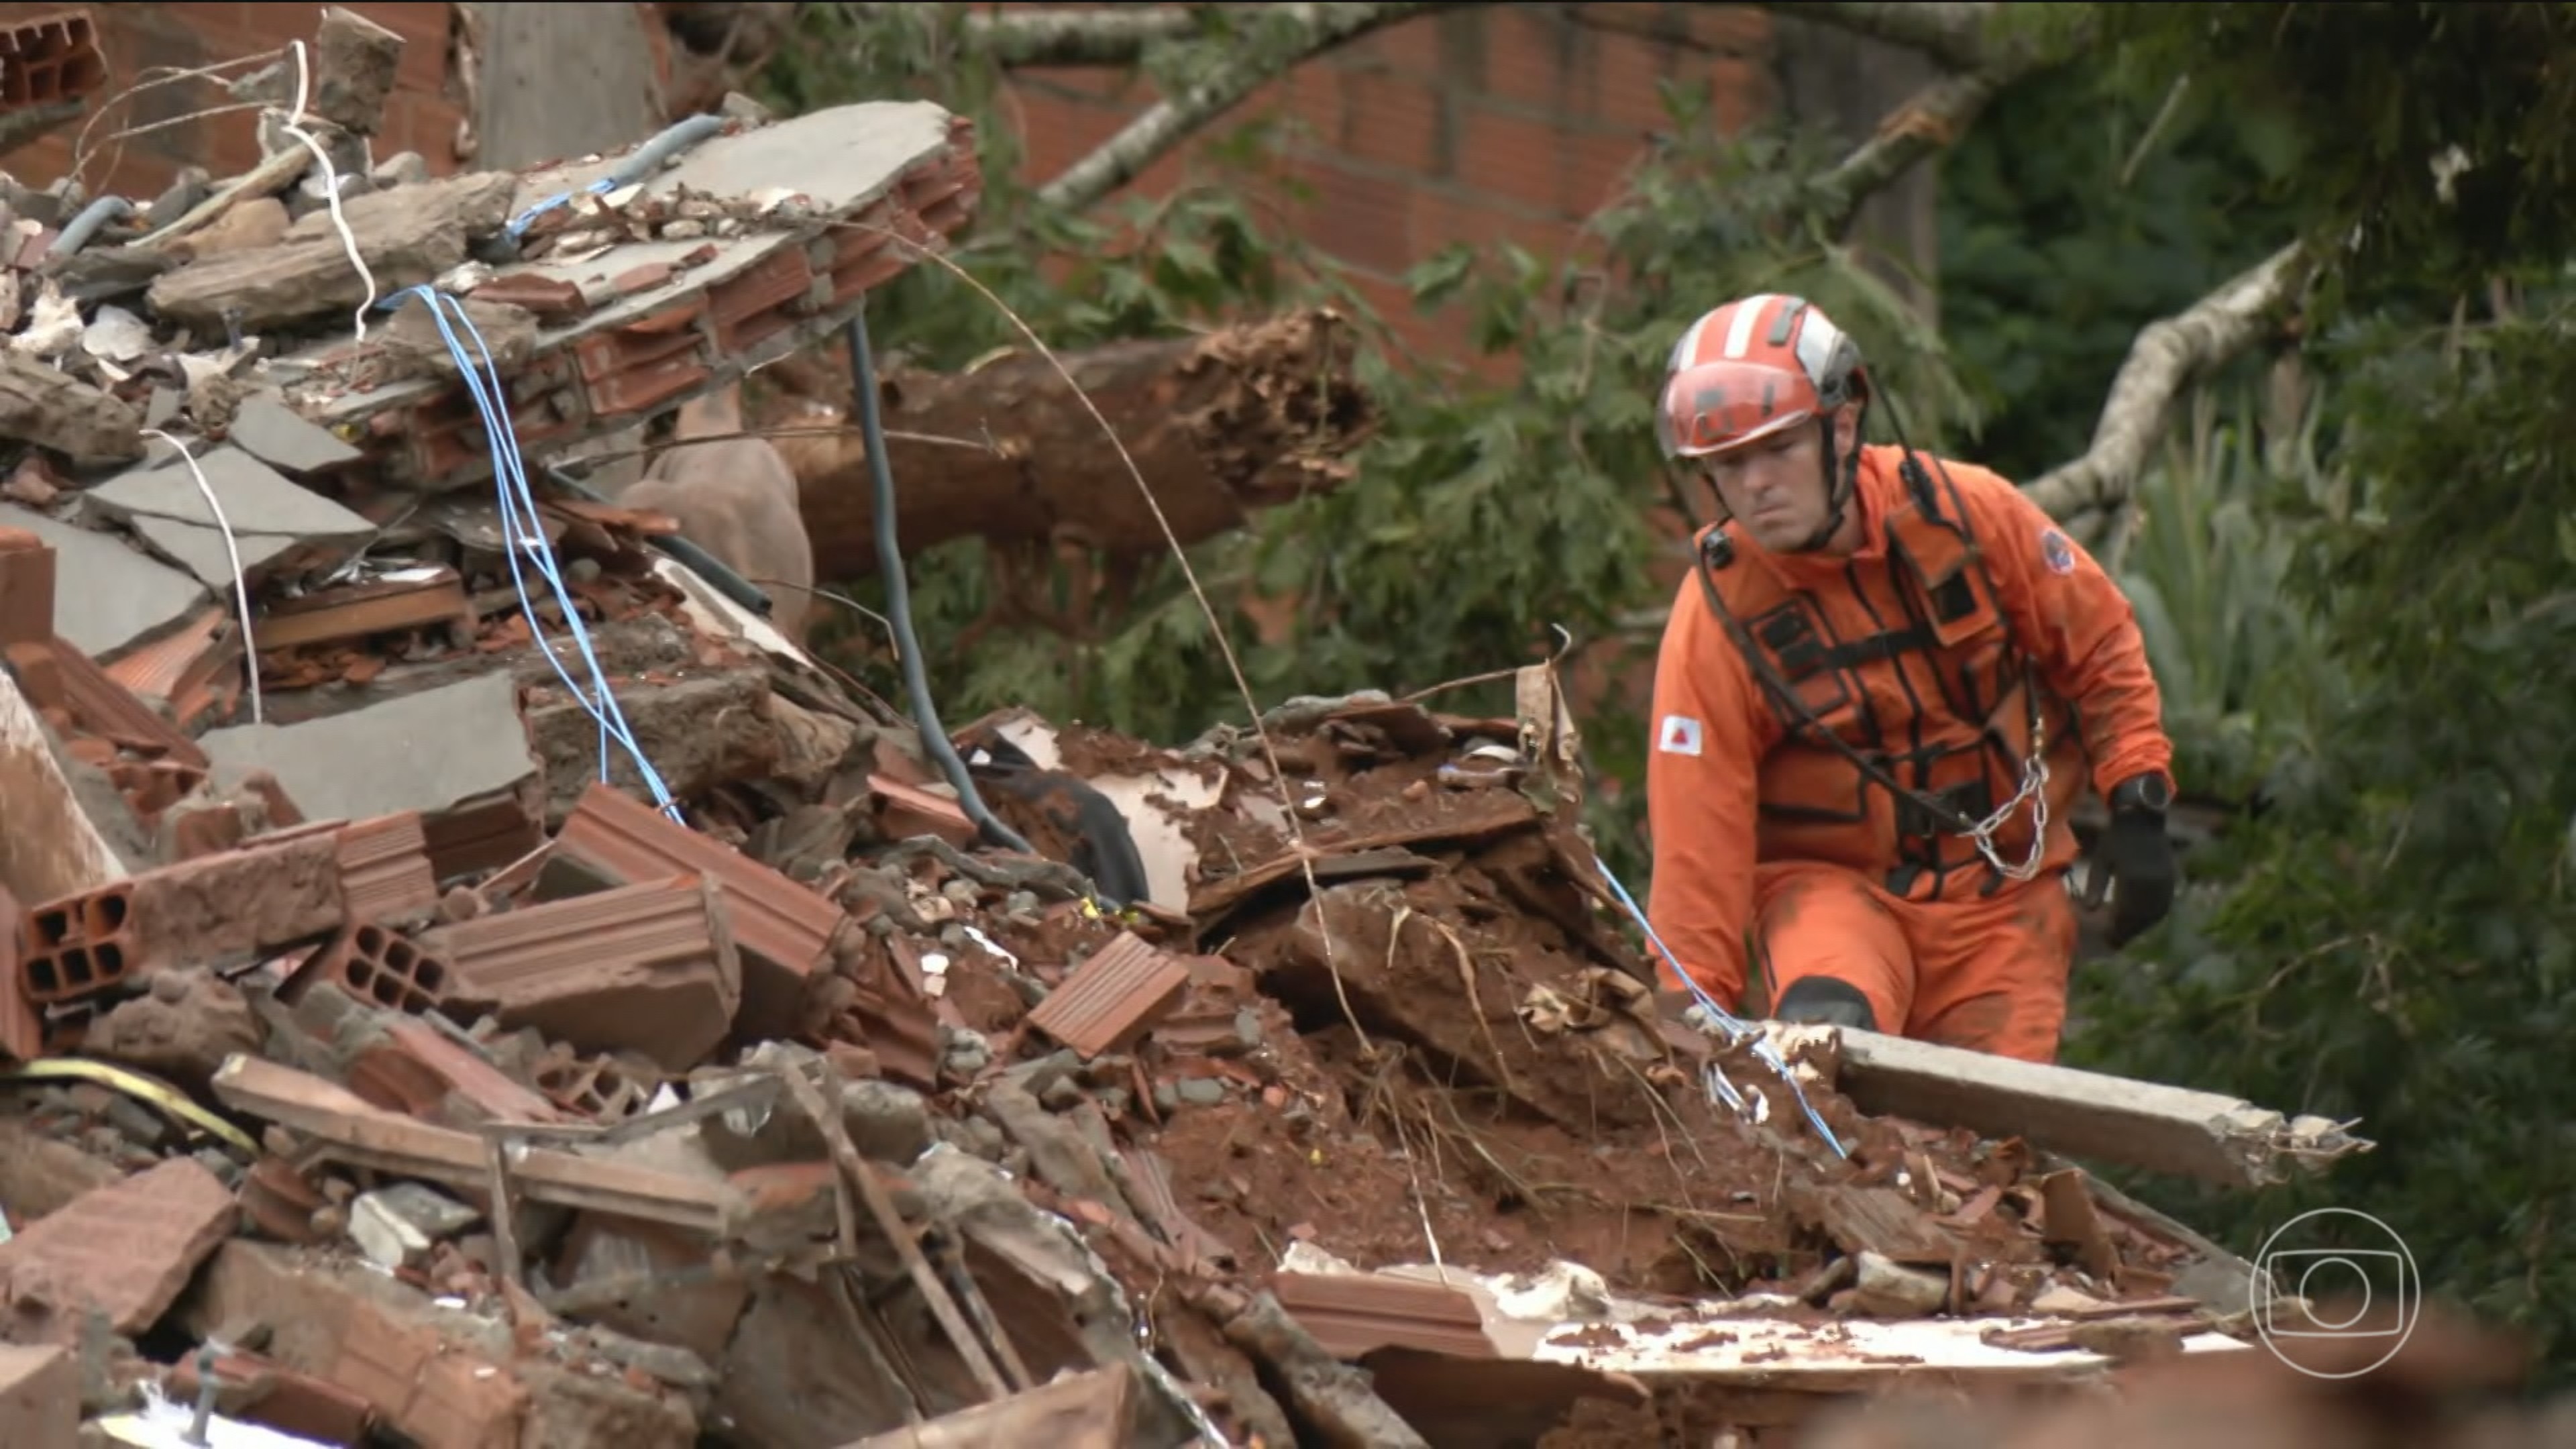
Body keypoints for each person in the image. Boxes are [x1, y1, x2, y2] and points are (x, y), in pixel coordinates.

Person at [1642, 292, 2179, 1065]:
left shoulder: (1967, 514)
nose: (1756, 483)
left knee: (1992, 1138)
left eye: (1780, 448)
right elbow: (1697, 843)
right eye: (1729, 464)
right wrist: (1688, 1028)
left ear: (1845, 424)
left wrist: (2139, 804)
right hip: (1834, 891)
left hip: (2003, 900)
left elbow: (2099, 645)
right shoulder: (1716, 619)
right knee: (1829, 1041)